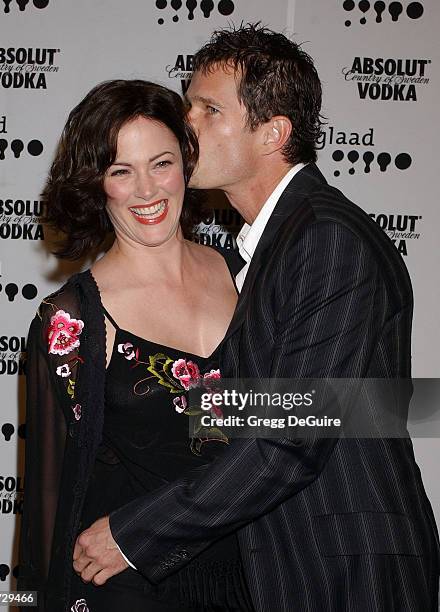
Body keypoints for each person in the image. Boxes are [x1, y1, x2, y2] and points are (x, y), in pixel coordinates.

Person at [103, 24, 440, 612]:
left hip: (346, 568)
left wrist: (134, 534)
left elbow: (291, 437)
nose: (188, 123)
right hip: (291, 565)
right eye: (189, 104)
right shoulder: (261, 249)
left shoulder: (326, 238)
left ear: (273, 133)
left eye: (209, 109)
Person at [17, 79, 258, 612]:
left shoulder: (248, 277)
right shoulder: (73, 321)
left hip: (252, 580)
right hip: (130, 590)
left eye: (161, 163)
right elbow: (47, 507)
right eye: (121, 171)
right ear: (96, 184)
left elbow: (297, 429)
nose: (147, 190)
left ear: (187, 164)